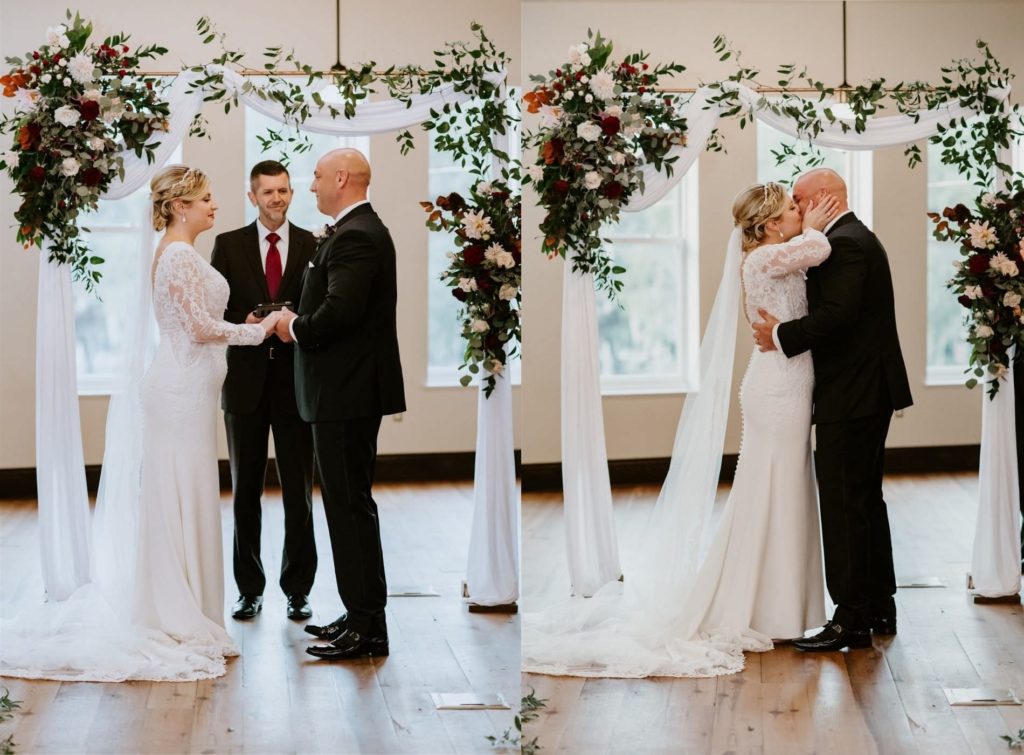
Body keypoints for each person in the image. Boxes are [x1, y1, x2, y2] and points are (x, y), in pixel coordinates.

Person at [522, 183, 839, 678]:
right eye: (793, 208)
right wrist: (817, 227)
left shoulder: (777, 253)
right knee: (772, 489)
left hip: (790, 383)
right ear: (772, 223)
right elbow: (819, 248)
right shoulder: (761, 259)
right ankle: (761, 608)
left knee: (784, 489)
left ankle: (780, 606)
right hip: (777, 388)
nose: (803, 212)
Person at [0, 165, 280, 682]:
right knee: (178, 493)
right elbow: (196, 328)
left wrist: (240, 326)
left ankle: (189, 601)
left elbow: (200, 319)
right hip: (178, 392)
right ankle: (174, 608)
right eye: (206, 199)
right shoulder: (175, 255)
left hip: (191, 391)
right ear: (179, 206)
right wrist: (260, 333)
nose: (214, 207)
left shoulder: (182, 254)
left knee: (186, 492)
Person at [753, 168, 913, 652]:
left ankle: (850, 619)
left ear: (824, 197)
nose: (797, 211)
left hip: (855, 391)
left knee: (845, 503)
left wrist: (780, 335)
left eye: (800, 201)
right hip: (866, 388)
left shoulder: (844, 243)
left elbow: (838, 316)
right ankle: (878, 604)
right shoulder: (850, 236)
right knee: (864, 500)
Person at [275, 148, 406, 661]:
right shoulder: (351, 230)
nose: (311, 186)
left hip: (346, 394)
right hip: (341, 392)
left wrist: (293, 326)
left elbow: (339, 313)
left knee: (349, 509)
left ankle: (369, 627)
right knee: (348, 507)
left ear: (343, 178)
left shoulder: (356, 235)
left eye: (317, 175)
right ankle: (359, 614)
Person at [211, 160, 317, 623]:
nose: (277, 199)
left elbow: (321, 304)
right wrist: (246, 323)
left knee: (299, 491)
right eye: (268, 192)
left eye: (284, 191)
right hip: (245, 385)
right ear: (252, 196)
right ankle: (248, 590)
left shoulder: (315, 243)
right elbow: (216, 311)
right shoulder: (228, 245)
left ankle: (298, 590)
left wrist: (291, 318)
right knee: (245, 491)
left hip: (297, 384)